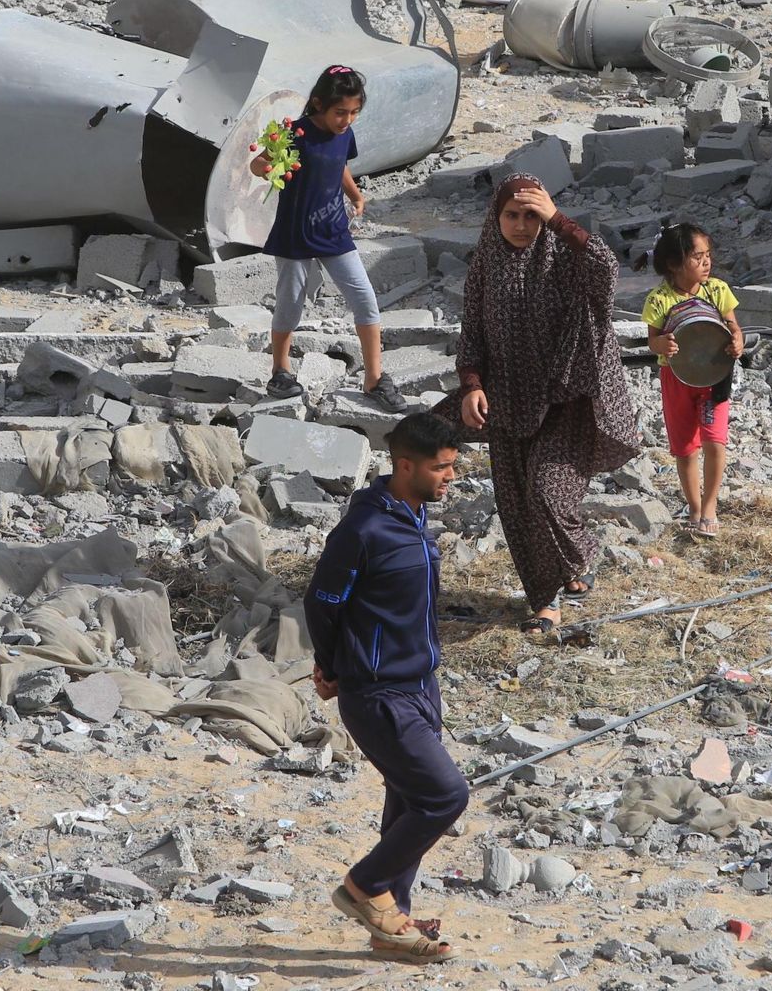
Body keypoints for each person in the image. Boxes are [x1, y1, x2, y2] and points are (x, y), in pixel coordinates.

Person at [305, 413, 468, 963]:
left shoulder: (415, 517)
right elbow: (322, 603)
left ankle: (389, 924)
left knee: (408, 801)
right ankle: (365, 886)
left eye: (452, 465)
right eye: (440, 467)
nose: (451, 476)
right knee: (445, 795)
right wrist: (330, 666)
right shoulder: (363, 529)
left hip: (421, 685)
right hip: (377, 693)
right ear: (405, 466)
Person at [451, 174, 638, 634]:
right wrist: (472, 384)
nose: (520, 225)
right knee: (517, 506)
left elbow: (607, 272)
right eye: (511, 215)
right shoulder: (486, 265)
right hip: (508, 401)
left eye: (530, 216)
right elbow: (472, 332)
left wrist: (559, 221)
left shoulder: (565, 256)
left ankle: (581, 554)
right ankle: (545, 601)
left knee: (548, 494)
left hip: (567, 397)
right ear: (496, 218)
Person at [250, 64, 405, 412]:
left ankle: (374, 378)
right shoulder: (294, 134)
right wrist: (269, 168)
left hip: (334, 230)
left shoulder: (345, 135)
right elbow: (258, 164)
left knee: (364, 299)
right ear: (318, 104)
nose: (346, 120)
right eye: (340, 112)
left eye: (354, 112)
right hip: (294, 234)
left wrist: (355, 195)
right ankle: (280, 369)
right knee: (290, 301)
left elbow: (340, 167)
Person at [642, 223, 745, 536]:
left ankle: (710, 504)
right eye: (697, 257)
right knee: (686, 448)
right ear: (674, 263)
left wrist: (738, 342)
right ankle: (694, 507)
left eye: (708, 255)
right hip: (677, 378)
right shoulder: (659, 299)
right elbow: (652, 341)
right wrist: (664, 344)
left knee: (715, 441)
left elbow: (734, 328)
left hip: (715, 377)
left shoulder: (718, 290)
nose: (706, 262)